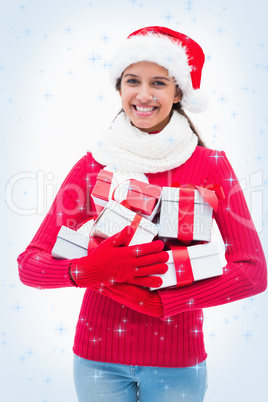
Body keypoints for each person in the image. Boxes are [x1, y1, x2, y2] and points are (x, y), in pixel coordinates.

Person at [17, 26, 267, 402]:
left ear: (178, 92)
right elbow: (29, 264)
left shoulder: (211, 166)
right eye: (133, 80)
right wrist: (88, 270)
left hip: (178, 361)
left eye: (159, 83)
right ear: (119, 88)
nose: (144, 95)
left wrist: (166, 303)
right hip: (96, 360)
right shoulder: (92, 167)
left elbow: (252, 271)